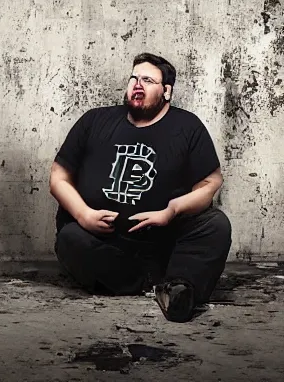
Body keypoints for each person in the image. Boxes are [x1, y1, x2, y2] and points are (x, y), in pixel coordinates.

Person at [49, 53, 232, 322]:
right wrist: (83, 215)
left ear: (166, 91)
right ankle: (142, 282)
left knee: (216, 225)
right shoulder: (94, 121)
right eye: (134, 78)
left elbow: (210, 183)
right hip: (107, 243)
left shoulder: (188, 127)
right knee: (69, 238)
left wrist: (172, 210)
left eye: (148, 79)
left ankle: (179, 288)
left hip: (165, 241)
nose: (137, 84)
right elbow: (58, 176)